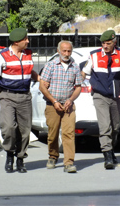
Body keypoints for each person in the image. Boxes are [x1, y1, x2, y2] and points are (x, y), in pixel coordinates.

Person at [0, 28, 40, 173]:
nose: (28, 41)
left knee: (25, 130)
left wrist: (39, 79)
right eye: (26, 39)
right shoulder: (2, 56)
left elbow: (29, 71)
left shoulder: (28, 53)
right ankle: (10, 154)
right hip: (7, 96)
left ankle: (20, 158)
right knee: (8, 127)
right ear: (17, 42)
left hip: (24, 96)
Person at [81, 30, 120, 170]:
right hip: (100, 95)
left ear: (114, 42)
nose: (105, 46)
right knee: (105, 126)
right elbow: (84, 73)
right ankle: (107, 156)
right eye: (103, 43)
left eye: (108, 43)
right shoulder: (94, 55)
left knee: (115, 128)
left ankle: (111, 150)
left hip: (117, 96)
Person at [39, 40, 82, 173]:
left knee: (69, 134)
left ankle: (69, 162)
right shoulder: (51, 65)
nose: (66, 53)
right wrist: (54, 101)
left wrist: (71, 99)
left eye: (69, 51)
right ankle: (53, 155)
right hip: (53, 105)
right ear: (58, 51)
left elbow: (78, 87)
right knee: (53, 133)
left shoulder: (75, 66)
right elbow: (42, 86)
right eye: (64, 50)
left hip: (68, 105)